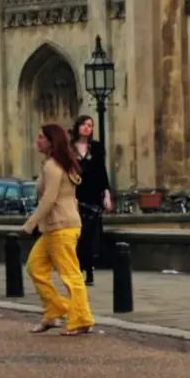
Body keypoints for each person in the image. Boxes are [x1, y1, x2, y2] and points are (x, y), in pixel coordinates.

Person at [22, 123, 96, 336]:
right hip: (56, 227)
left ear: (51, 141)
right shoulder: (58, 164)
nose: (37, 141)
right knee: (35, 267)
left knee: (70, 274)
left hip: (61, 226)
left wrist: (30, 223)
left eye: (41, 138)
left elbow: (48, 199)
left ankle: (81, 318)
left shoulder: (52, 166)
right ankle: (55, 310)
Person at [70, 114, 113, 284]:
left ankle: (88, 270)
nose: (87, 128)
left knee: (90, 234)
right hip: (76, 195)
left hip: (93, 195)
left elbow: (102, 172)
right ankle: (80, 268)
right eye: (84, 124)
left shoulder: (96, 147)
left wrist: (107, 195)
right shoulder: (70, 148)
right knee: (79, 234)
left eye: (90, 125)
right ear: (77, 126)